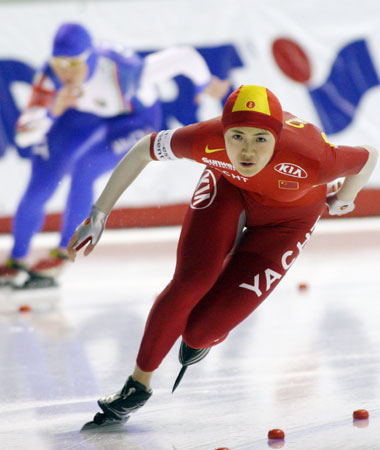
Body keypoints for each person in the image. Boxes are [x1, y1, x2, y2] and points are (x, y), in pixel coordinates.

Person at [67, 84, 377, 428]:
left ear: (277, 137)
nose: (247, 151)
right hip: (229, 190)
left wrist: (345, 198)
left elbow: (368, 155)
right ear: (223, 131)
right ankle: (137, 385)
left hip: (288, 222)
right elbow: (143, 149)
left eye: (261, 139)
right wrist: (99, 214)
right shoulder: (204, 139)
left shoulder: (313, 157)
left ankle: (220, 292)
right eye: (237, 137)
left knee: (200, 332)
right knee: (191, 281)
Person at [0, 22, 229, 287]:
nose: (66, 72)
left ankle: (63, 253)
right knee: (43, 177)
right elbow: (24, 135)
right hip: (83, 113)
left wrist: (203, 83)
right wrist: (54, 109)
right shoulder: (50, 77)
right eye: (60, 63)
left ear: (91, 58)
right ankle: (17, 258)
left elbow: (184, 57)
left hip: (132, 119)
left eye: (73, 64)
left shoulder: (126, 71)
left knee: (85, 172)